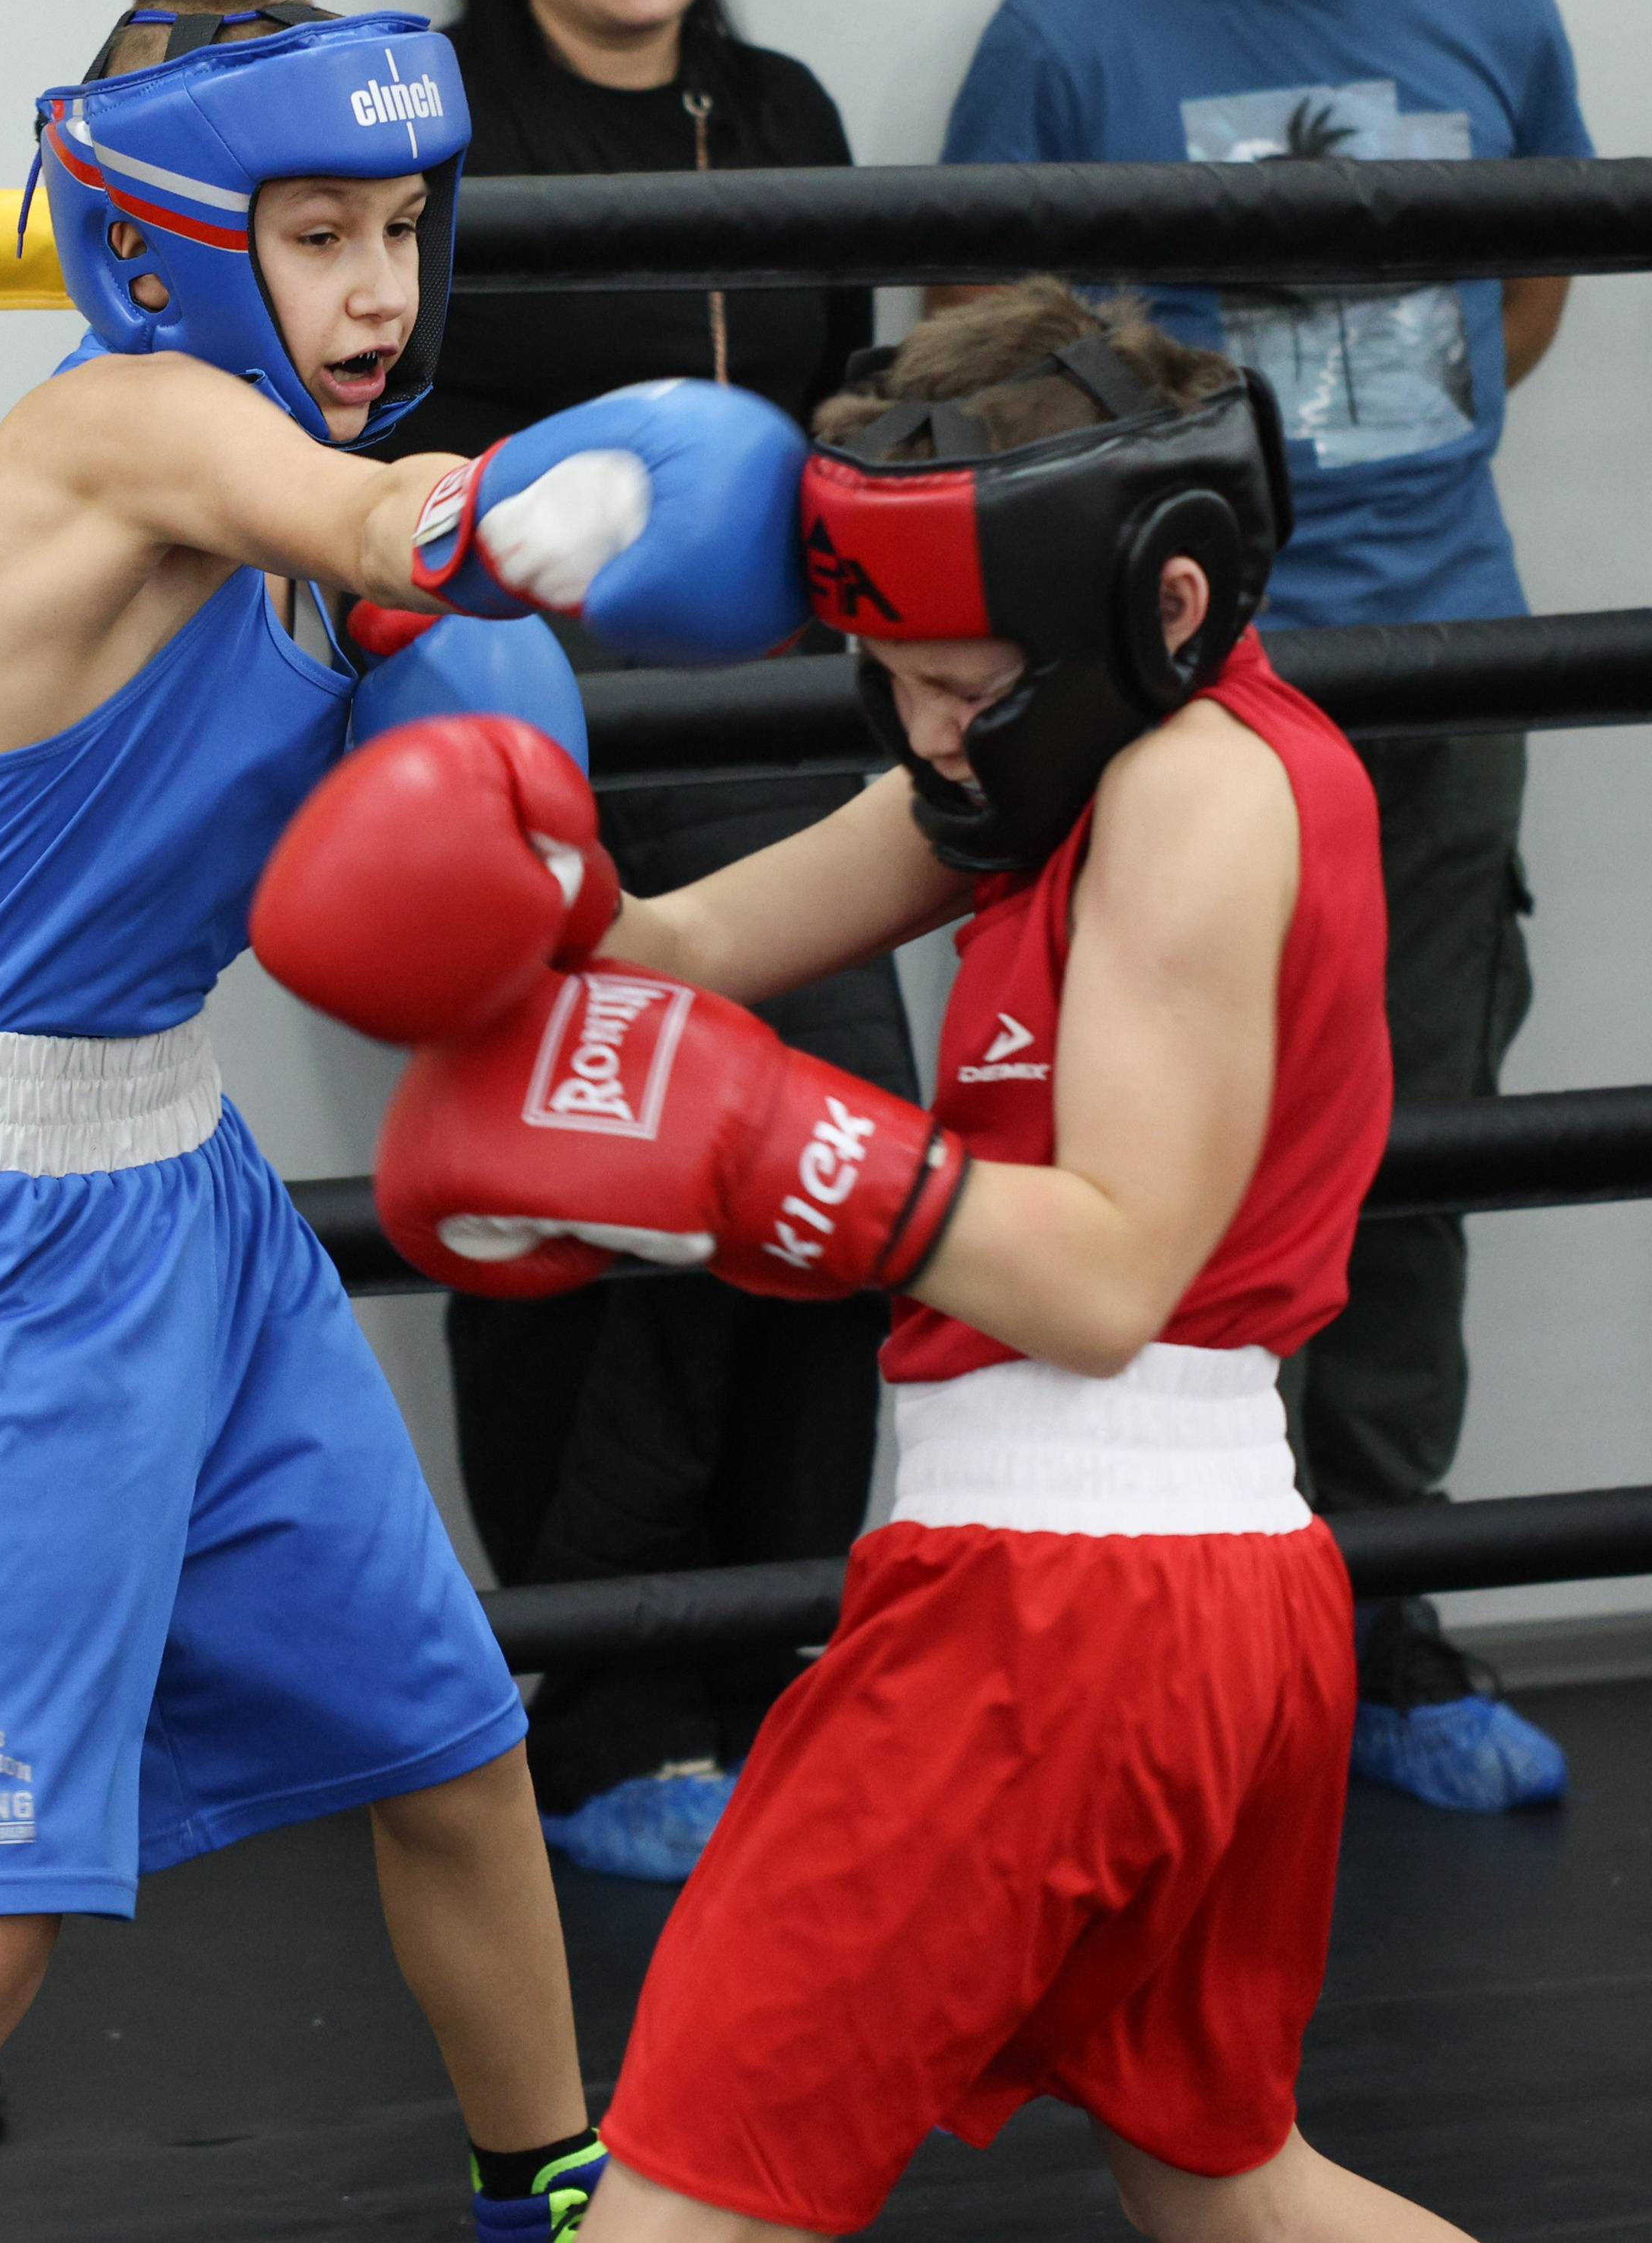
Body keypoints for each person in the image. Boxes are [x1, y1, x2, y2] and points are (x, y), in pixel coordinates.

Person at [0, 0, 812, 2243]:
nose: (376, 285)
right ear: (156, 242)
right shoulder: (116, 432)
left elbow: (520, 870)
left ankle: (557, 2189)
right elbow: (358, 519)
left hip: (186, 1203)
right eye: (310, 230)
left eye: (398, 228)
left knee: (450, 1740)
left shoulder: (339, 551)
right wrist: (561, 497)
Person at [255, 279, 1475, 2243]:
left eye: (956, 678)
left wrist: (785, 1154)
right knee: (1236, 2184)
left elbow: (1100, 1275)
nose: (920, 727)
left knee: (672, 2205)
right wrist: (522, 876)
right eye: (888, 670)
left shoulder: (1187, 791)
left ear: (1158, 602)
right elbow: (678, 950)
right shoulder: (1048, 754)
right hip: (1219, 1608)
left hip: (1056, 1618)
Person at [938, 0, 1589, 1813]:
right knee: (1146, 1175)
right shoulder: (1064, 34)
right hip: (1170, 713)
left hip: (1443, 663)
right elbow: (979, 371)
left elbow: (1529, 293)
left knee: (1412, 1161)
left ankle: (1380, 1620)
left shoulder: (1493, 4)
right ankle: (1171, 1619)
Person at [384, 0, 917, 1883]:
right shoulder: (444, 146)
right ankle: (608, 1702)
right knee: (606, 1227)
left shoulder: (779, 107)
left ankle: (795, 1666)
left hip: (800, 746)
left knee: (828, 1205)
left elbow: (861, 396)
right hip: (553, 756)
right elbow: (371, 445)